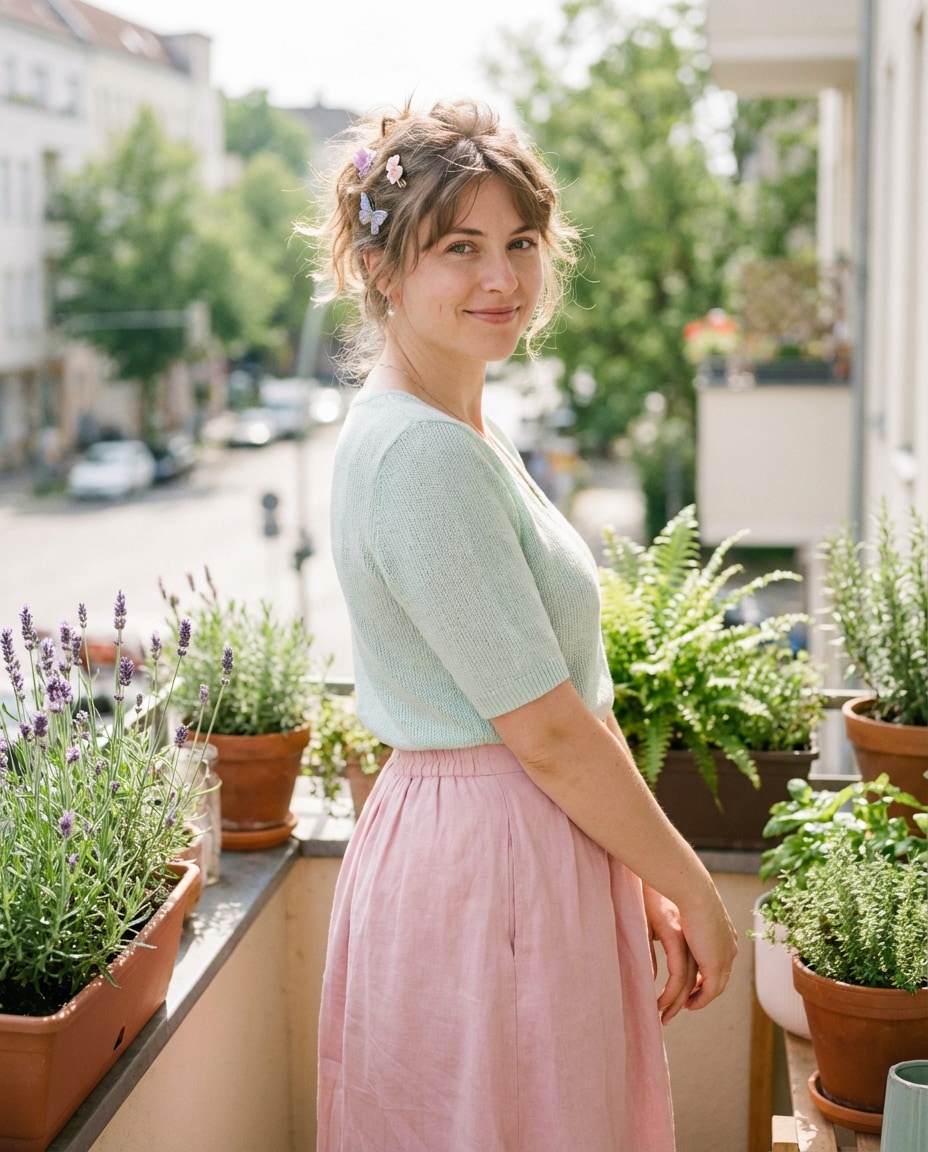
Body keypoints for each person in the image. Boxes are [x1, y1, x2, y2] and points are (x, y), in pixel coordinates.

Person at [307, 99, 738, 1152]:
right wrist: (694, 889)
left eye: (519, 244)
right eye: (460, 248)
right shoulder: (425, 455)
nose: (500, 280)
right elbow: (543, 728)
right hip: (492, 861)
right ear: (380, 267)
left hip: (501, 846)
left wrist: (622, 875)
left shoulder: (452, 429)